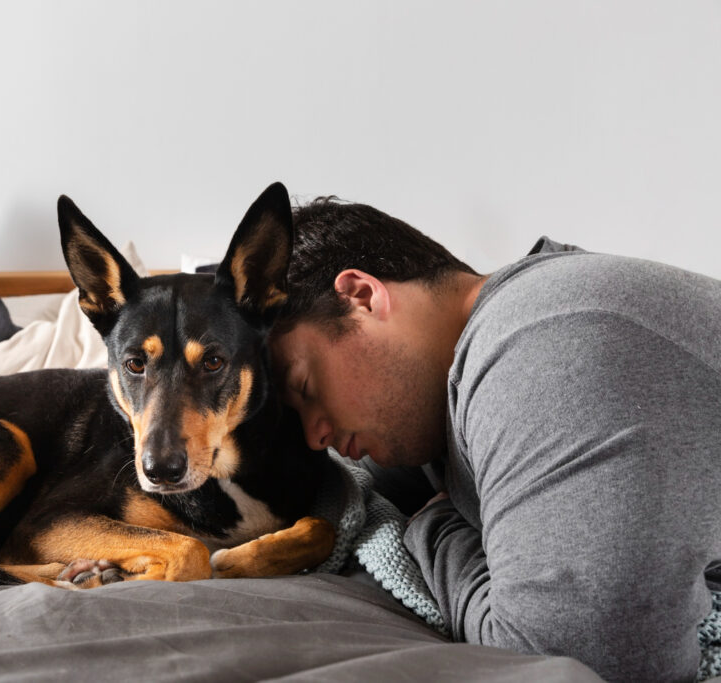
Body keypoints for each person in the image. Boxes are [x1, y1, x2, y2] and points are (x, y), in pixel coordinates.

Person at [269, 197, 721, 682]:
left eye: (306, 388)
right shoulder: (441, 398)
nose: (317, 437)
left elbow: (579, 662)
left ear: (361, 296)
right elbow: (350, 493)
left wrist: (435, 527)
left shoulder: (543, 346)